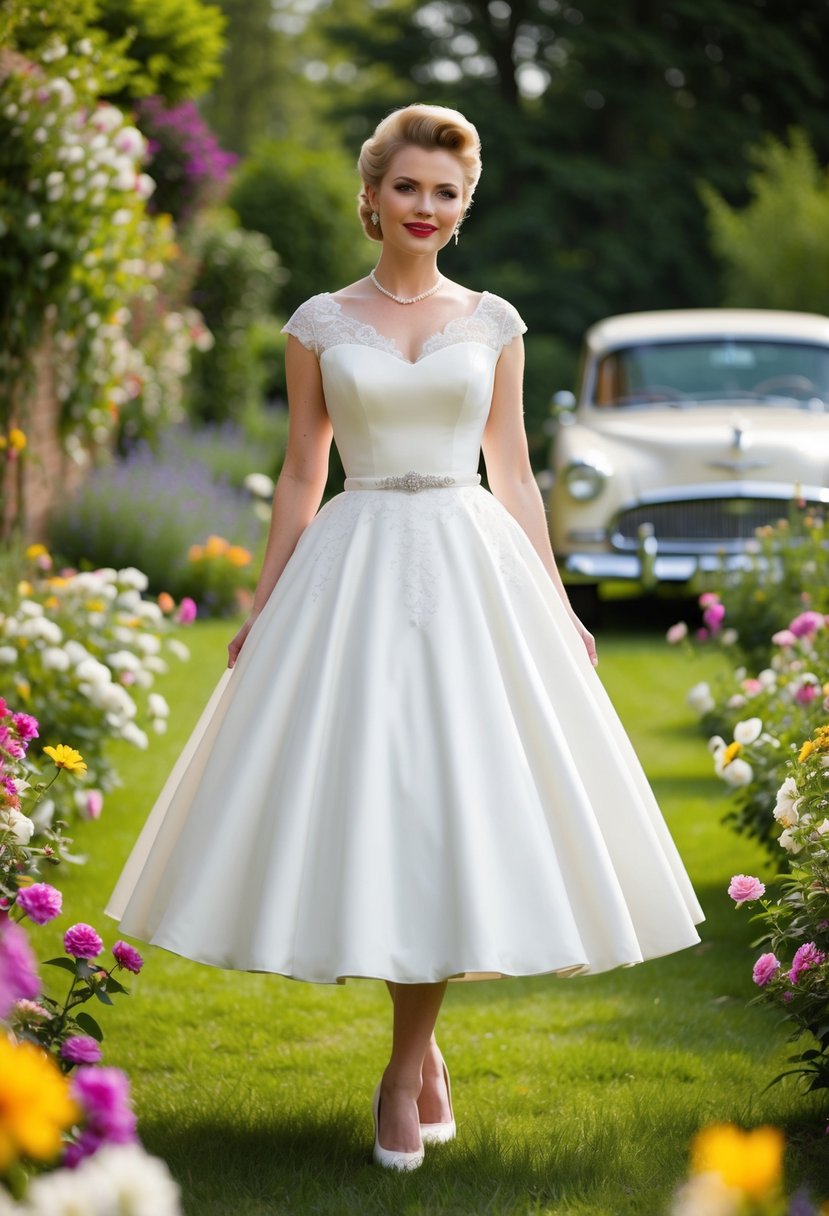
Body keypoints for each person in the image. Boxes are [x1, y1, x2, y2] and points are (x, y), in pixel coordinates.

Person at [107, 103, 703, 1173]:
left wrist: (557, 600)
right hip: (358, 562)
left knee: (457, 804)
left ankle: (404, 1065)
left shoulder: (494, 322)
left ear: (463, 208)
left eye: (448, 193)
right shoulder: (319, 322)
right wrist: (265, 601)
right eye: (410, 187)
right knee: (385, 806)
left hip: (474, 567)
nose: (427, 208)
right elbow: (301, 469)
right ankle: (416, 1060)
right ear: (371, 195)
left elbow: (514, 471)